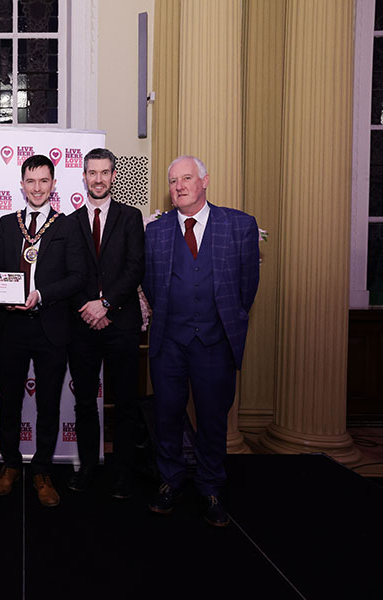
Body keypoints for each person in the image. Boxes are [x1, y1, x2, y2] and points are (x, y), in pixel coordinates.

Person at [141, 155, 259, 527]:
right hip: (169, 343)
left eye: (187, 178)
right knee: (167, 416)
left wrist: (227, 322)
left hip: (214, 342)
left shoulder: (238, 225)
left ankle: (210, 486)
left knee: (211, 419)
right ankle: (170, 481)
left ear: (205, 181)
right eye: (173, 180)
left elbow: (247, 286)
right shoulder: (156, 232)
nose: (179, 186)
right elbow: (150, 283)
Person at [0, 154, 86, 507]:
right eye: (31, 181)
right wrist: (0, 299)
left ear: (54, 184)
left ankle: (43, 469)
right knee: (10, 403)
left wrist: (41, 295)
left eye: (44, 181)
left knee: (48, 404)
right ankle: (10, 465)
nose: (37, 188)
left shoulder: (67, 226)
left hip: (51, 328)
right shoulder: (6, 223)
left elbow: (77, 277)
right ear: (22, 184)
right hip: (12, 328)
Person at [66, 148, 145, 499]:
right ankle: (86, 467)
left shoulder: (131, 217)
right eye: (91, 173)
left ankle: (122, 472)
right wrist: (89, 307)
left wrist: (106, 304)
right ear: (83, 177)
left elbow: (135, 268)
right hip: (82, 325)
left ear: (114, 176)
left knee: (126, 402)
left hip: (121, 322)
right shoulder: (69, 222)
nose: (98, 179)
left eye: (104, 172)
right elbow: (68, 274)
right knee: (84, 401)